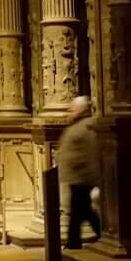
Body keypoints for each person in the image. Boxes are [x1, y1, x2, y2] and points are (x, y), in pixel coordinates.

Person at [57, 95, 101, 249]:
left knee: (79, 212)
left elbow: (90, 153)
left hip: (81, 177)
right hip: (76, 176)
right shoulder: (78, 126)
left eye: (73, 108)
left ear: (81, 110)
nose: (70, 111)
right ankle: (75, 241)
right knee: (83, 211)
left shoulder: (86, 127)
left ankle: (74, 242)